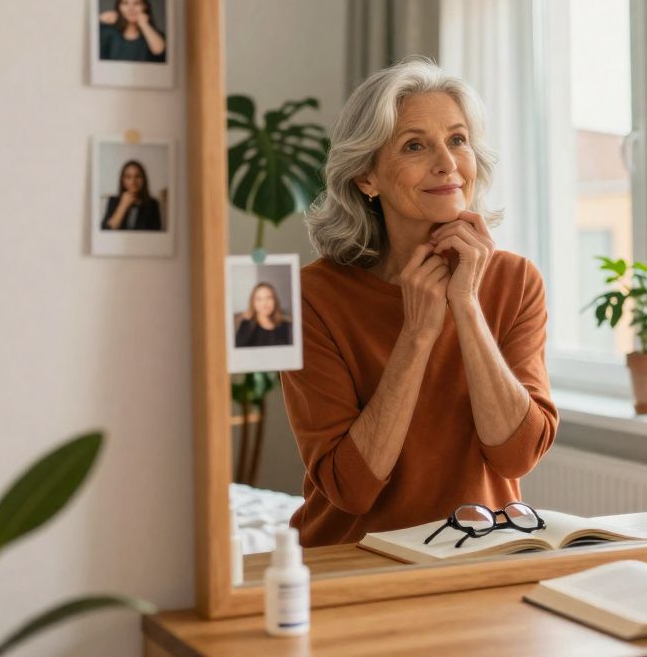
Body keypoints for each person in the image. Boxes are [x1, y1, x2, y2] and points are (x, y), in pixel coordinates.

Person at [282, 58, 557, 547]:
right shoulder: (310, 298)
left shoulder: (516, 281)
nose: (447, 162)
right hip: (352, 563)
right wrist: (417, 333)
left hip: (480, 553)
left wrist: (467, 308)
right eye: (415, 145)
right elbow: (351, 487)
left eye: (457, 140)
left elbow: (518, 457)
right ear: (367, 177)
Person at [98, 0, 167, 62]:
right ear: (119, 7)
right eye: (125, 3)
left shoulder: (154, 34)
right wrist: (99, 18)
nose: (131, 8)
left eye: (137, 3)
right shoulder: (107, 32)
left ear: (144, 6)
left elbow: (159, 50)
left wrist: (144, 25)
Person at [100, 160, 162, 231]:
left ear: (143, 179)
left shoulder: (153, 204)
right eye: (128, 177)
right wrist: (123, 205)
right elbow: (105, 231)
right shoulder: (113, 200)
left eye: (138, 176)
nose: (133, 181)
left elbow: (157, 233)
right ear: (123, 180)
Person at [235, 282, 293, 347]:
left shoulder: (286, 326)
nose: (264, 303)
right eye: (259, 299)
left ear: (275, 301)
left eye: (269, 298)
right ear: (253, 303)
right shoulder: (246, 325)